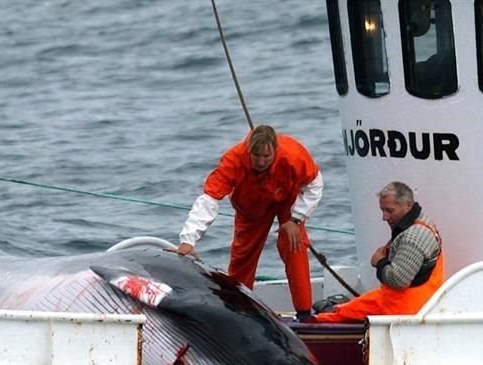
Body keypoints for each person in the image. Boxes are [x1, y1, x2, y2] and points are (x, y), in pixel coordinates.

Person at [176, 124, 322, 320]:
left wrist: (296, 218)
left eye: (266, 157)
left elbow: (314, 183)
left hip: (288, 201)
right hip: (251, 207)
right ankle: (239, 311)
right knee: (243, 256)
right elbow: (209, 200)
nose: (261, 161)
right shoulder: (233, 160)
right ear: (248, 150)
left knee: (293, 243)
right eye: (256, 156)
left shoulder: (293, 154)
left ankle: (304, 312)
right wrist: (188, 240)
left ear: (275, 151)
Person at [314, 181, 443, 324]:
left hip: (404, 312)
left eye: (390, 210)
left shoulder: (413, 237)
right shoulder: (422, 225)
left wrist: (380, 262)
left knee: (333, 315)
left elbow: (398, 280)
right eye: (382, 210)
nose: (384, 217)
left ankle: (313, 324)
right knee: (347, 307)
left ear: (408, 205)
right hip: (418, 306)